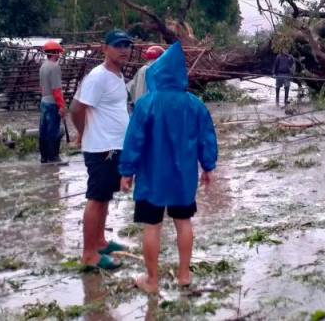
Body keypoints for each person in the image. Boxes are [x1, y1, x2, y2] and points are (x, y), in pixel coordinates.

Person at [119, 42, 218, 294]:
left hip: (152, 177)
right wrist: (208, 167)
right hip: (183, 178)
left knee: (152, 227)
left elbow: (134, 140)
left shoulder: (146, 104)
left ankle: (152, 281)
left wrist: (126, 171)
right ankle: (184, 275)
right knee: (183, 222)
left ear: (158, 73)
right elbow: (207, 137)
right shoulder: (195, 104)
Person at [70, 29, 134, 270]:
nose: (124, 49)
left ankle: (100, 242)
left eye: (127, 45)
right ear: (105, 49)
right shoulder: (97, 77)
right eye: (118, 45)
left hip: (114, 146)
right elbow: (76, 108)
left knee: (105, 195)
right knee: (96, 198)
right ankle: (88, 255)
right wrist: (83, 133)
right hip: (101, 148)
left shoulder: (117, 75)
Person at [38, 40, 66, 164]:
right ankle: (53, 157)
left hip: (44, 101)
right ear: (54, 53)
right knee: (53, 130)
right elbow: (56, 90)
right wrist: (61, 106)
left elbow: (41, 87)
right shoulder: (55, 67)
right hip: (52, 103)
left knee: (43, 130)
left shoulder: (43, 66)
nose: (59, 55)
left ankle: (44, 157)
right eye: (58, 53)